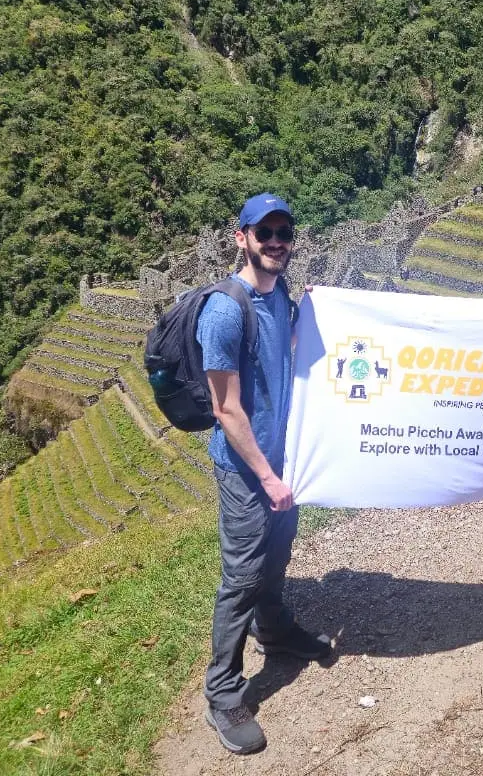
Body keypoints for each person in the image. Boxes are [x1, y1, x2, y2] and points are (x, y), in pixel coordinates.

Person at [198, 192, 333, 755]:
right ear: (242, 238)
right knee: (243, 575)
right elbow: (226, 408)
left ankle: (274, 629)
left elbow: (288, 359)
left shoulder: (280, 302)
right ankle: (223, 691)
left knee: (278, 556)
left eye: (284, 233)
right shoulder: (226, 310)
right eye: (264, 233)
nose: (276, 242)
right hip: (246, 469)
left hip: (284, 462)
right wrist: (266, 476)